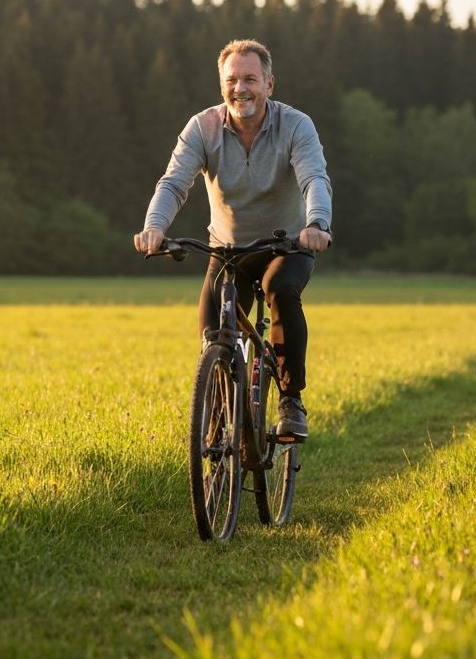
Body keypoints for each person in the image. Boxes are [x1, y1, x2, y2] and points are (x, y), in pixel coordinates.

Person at [133, 38, 333, 439]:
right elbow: (174, 183)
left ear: (269, 85)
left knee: (280, 287)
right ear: (222, 85)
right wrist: (155, 226)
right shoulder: (202, 127)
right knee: (214, 336)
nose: (240, 88)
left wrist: (317, 223)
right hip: (226, 250)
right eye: (232, 80)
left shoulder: (296, 125)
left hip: (287, 246)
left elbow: (314, 178)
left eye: (250, 79)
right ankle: (222, 430)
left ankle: (291, 400)